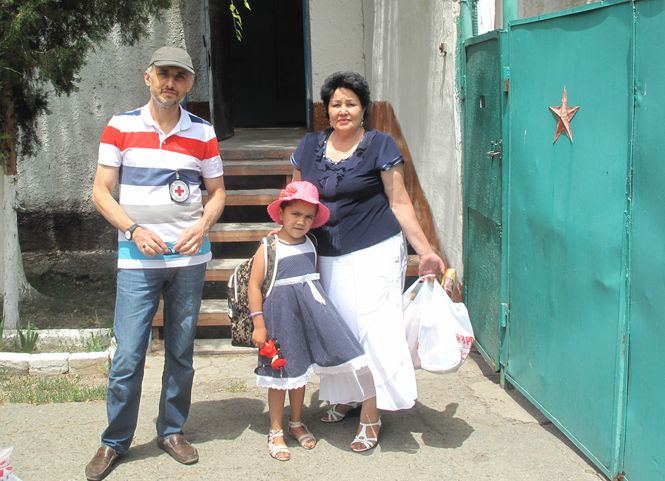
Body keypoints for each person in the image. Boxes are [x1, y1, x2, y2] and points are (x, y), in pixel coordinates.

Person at [85, 46, 226, 481]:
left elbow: (218, 192)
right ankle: (114, 442)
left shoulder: (202, 132)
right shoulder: (121, 126)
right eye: (163, 74)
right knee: (128, 354)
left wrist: (202, 227)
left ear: (189, 84)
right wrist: (133, 230)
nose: (171, 83)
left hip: (188, 260)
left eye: (180, 77)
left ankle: (171, 431)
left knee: (181, 352)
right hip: (137, 260)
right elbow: (100, 191)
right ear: (148, 77)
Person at [290, 71, 447, 452]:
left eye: (351, 103)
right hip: (327, 253)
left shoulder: (379, 145)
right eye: (335, 104)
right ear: (326, 110)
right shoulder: (309, 147)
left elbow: (399, 202)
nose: (343, 110)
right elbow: (295, 198)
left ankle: (372, 412)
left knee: (375, 331)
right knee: (339, 330)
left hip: (375, 249)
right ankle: (347, 395)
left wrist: (425, 250)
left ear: (363, 108)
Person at [249, 180, 369, 461]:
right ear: (281, 214)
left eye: (308, 216)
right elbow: (254, 286)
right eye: (295, 214)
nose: (301, 221)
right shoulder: (269, 246)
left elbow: (312, 281)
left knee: (300, 372)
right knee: (278, 374)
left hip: (305, 318)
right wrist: (259, 323)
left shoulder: (311, 244)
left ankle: (296, 422)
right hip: (279, 319)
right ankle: (276, 428)